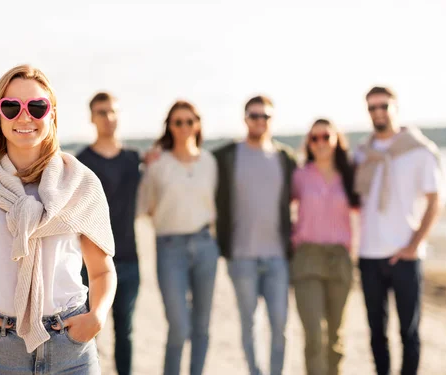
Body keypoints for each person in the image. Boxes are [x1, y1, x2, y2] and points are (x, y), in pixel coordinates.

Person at [0, 65, 117, 375]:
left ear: (52, 114)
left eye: (37, 106)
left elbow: (101, 271)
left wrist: (97, 316)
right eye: (12, 107)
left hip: (71, 351)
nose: (24, 116)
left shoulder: (81, 184)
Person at [355, 86, 442, 375]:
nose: (378, 112)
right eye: (372, 107)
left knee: (409, 332)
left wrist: (414, 245)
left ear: (396, 107)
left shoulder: (418, 150)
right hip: (369, 255)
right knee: (376, 332)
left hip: (405, 256)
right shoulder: (362, 153)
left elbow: (434, 202)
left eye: (384, 106)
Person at [213, 95, 296, 375]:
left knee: (280, 325)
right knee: (248, 324)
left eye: (265, 116)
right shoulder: (226, 156)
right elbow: (191, 159)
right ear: (245, 118)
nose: (259, 121)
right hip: (241, 257)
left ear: (272, 121)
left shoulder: (285, 158)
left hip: (277, 258)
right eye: (254, 115)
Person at [137, 100, 219, 375]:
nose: (184, 127)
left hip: (206, 246)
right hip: (170, 247)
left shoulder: (209, 162)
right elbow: (145, 206)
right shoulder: (158, 163)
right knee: (179, 325)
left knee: (202, 325)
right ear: (170, 127)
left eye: (189, 121)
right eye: (178, 122)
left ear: (197, 125)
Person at [77, 92, 141, 375]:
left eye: (113, 111)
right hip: (89, 262)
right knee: (91, 331)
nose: (109, 118)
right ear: (92, 118)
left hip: (129, 258)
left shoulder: (133, 159)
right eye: (102, 112)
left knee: (125, 332)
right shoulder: (81, 162)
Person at [291, 119, 360, 375]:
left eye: (325, 137)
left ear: (336, 140)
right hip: (307, 257)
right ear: (309, 143)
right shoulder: (299, 175)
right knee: (313, 334)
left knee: (335, 335)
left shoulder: (350, 174)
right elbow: (277, 207)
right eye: (314, 138)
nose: (320, 142)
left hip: (339, 258)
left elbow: (370, 205)